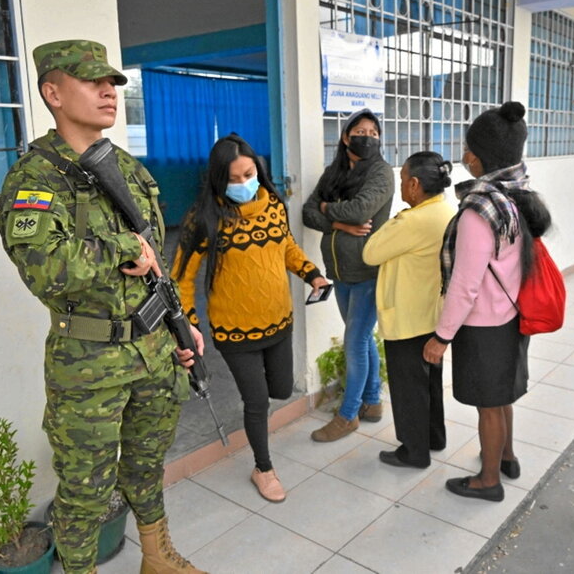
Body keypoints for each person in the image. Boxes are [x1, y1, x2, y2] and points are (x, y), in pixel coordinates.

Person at [0, 40, 206, 574]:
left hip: (155, 351)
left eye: (111, 81)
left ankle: (157, 558)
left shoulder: (129, 170)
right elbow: (45, 271)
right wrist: (120, 247)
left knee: (144, 467)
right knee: (86, 493)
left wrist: (183, 326)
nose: (108, 91)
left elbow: (157, 260)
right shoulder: (35, 180)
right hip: (88, 364)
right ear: (53, 92)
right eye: (92, 81)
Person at [172, 133, 328, 503]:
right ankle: (264, 467)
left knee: (282, 390)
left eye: (249, 174)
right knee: (256, 402)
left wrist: (312, 274)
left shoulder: (273, 204)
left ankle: (262, 445)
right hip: (234, 331)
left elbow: (285, 245)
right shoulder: (205, 217)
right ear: (218, 180)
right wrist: (189, 324)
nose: (244, 183)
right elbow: (182, 276)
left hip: (279, 320)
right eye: (234, 178)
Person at [423, 101, 552, 502]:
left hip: (484, 326)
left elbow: (465, 283)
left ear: (479, 158)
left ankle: (488, 480)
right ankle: (507, 456)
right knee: (502, 397)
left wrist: (441, 337)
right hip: (512, 316)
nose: (463, 156)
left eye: (469, 150)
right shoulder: (516, 193)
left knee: (489, 408)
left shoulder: (480, 209)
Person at [302, 108, 395, 442]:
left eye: (374, 133)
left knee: (355, 341)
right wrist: (336, 222)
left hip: (369, 270)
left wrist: (329, 208)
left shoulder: (382, 173)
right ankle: (372, 401)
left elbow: (360, 211)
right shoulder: (333, 173)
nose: (368, 137)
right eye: (361, 131)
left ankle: (348, 414)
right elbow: (308, 213)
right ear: (345, 137)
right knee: (361, 337)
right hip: (339, 271)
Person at [363, 151, 455, 468]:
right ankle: (434, 437)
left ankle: (414, 451)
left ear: (415, 184)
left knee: (408, 389)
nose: (401, 186)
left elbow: (371, 253)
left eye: (402, 180)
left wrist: (396, 219)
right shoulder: (445, 210)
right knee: (429, 383)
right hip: (433, 316)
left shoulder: (412, 220)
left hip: (407, 319)